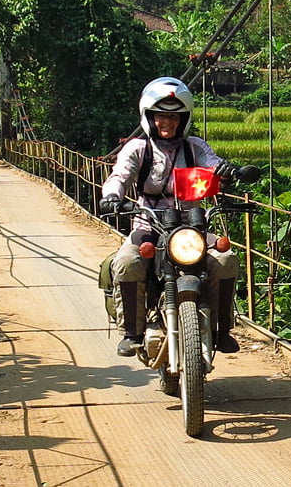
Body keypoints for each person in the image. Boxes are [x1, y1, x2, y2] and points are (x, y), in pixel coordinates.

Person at [98, 77, 252, 357]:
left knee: (226, 259)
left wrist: (228, 172)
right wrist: (112, 197)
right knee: (127, 261)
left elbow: (213, 165)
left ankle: (222, 330)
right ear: (149, 117)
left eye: (173, 117)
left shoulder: (194, 147)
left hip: (191, 225)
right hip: (150, 223)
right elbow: (119, 176)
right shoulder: (137, 149)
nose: (166, 123)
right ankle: (131, 332)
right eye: (160, 116)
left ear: (183, 119)